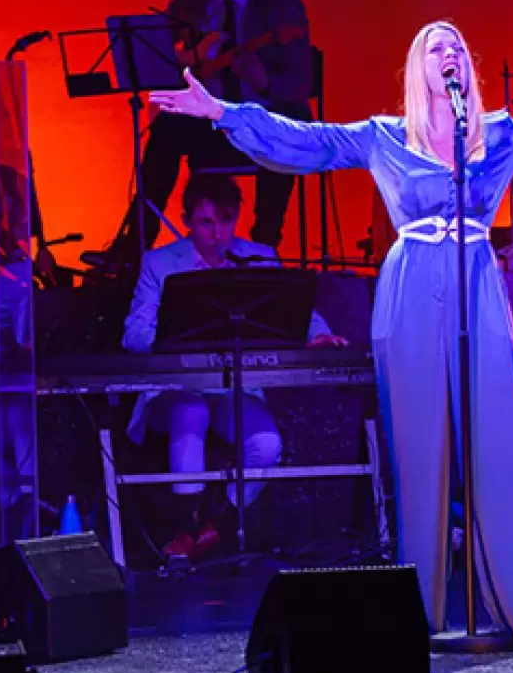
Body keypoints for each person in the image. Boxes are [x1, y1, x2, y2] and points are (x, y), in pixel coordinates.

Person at [151, 21, 513, 648]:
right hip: (411, 289)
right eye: (435, 45)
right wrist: (224, 113)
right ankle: (417, 617)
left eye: (457, 44)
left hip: (477, 280)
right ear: (415, 66)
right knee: (420, 456)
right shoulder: (386, 138)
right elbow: (308, 142)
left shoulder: (502, 134)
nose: (448, 52)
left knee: (498, 444)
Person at [122, 173, 346, 560]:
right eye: (207, 222)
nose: (218, 232)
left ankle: (210, 527)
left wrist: (320, 335)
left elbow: (296, 311)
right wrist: (173, 338)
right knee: (189, 410)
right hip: (175, 391)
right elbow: (134, 334)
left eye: (226, 220)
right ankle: (185, 523)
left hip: (232, 389)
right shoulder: (160, 263)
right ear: (188, 218)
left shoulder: (257, 256)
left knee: (266, 445)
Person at [85, 0, 313, 268]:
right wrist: (188, 56)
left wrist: (264, 82)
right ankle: (131, 249)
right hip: (209, 126)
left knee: (286, 129)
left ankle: (264, 249)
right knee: (164, 131)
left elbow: (302, 83)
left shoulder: (282, 7)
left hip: (260, 125)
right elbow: (162, 55)